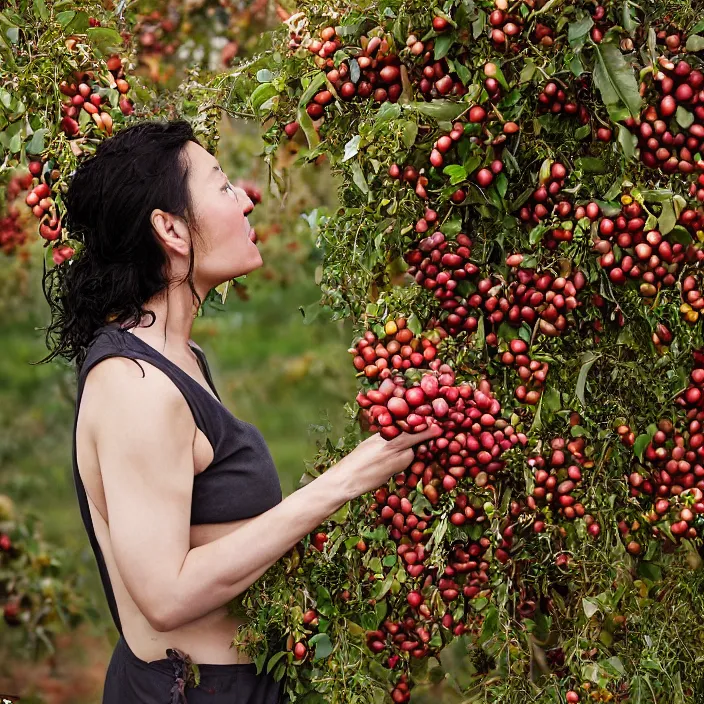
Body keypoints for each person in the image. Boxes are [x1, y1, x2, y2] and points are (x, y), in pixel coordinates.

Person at [40, 119, 442, 703]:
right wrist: (344, 482)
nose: (246, 198)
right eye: (223, 186)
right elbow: (167, 596)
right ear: (171, 229)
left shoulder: (179, 355)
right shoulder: (137, 386)